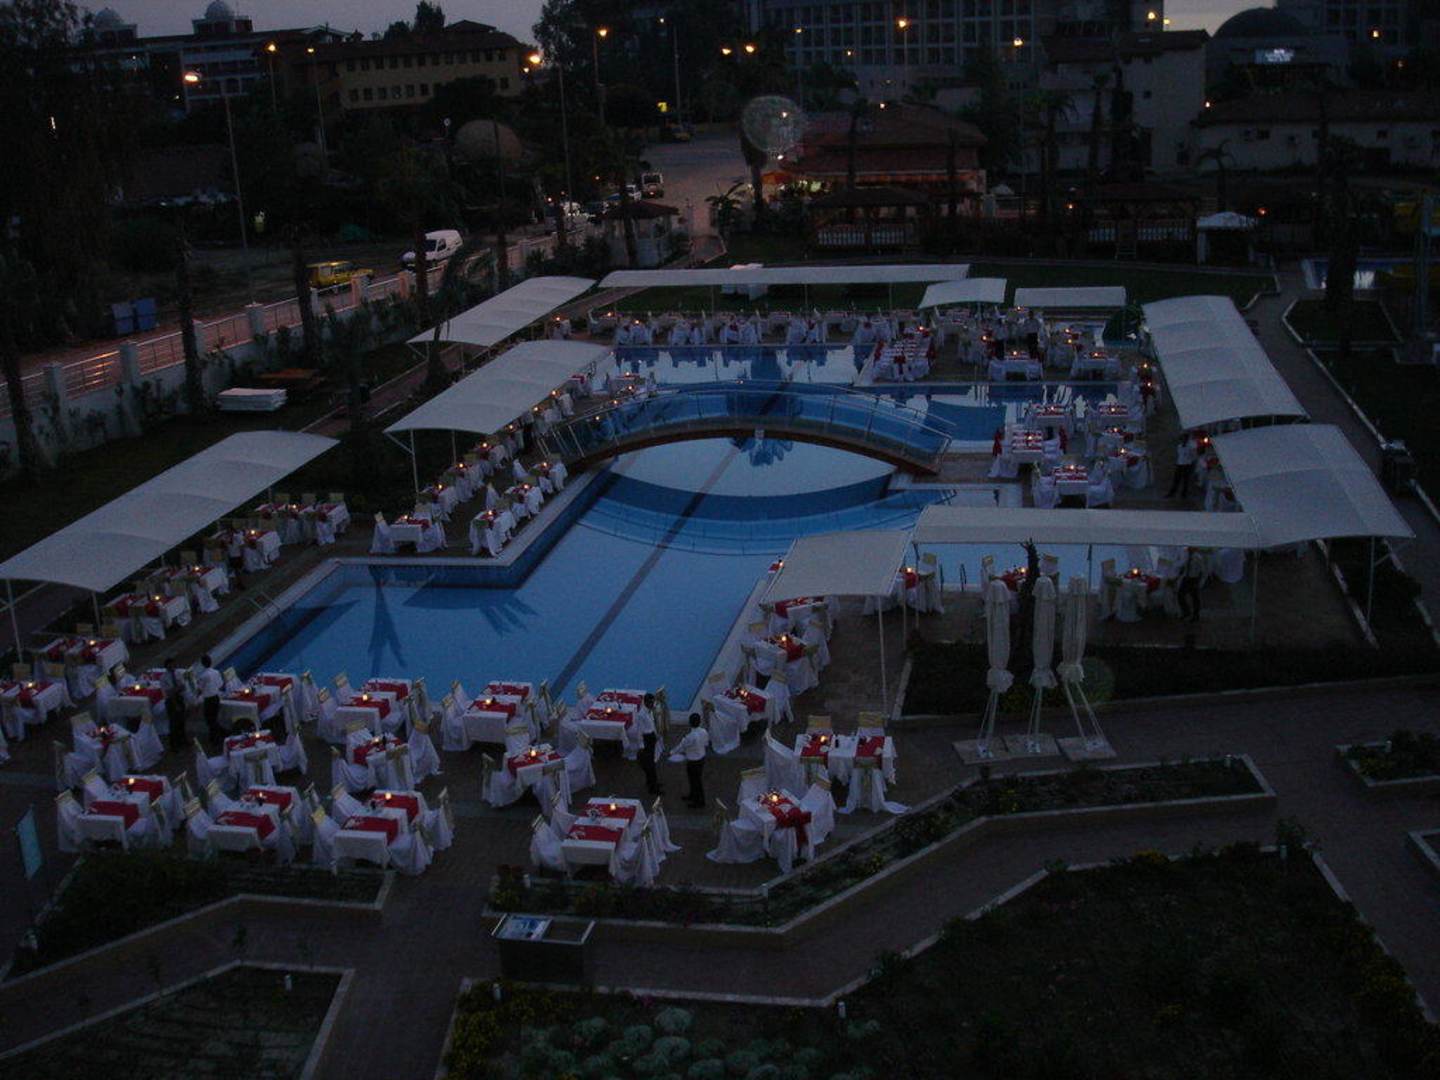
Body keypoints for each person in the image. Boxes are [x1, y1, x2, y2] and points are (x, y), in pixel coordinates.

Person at [674, 713, 709, 809]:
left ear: (690, 723)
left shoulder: (690, 736)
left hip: (693, 762)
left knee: (695, 781)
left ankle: (699, 801)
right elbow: (706, 744)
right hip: (701, 758)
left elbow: (681, 747)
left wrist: (672, 752)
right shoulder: (704, 732)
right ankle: (693, 795)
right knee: (696, 780)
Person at [635, 692, 662, 797]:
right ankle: (653, 787)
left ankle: (652, 782)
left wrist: (656, 735)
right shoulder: (641, 715)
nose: (652, 704)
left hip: (651, 737)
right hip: (646, 740)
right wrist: (641, 745)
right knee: (649, 765)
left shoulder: (649, 712)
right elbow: (639, 731)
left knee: (652, 762)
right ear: (646, 702)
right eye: (651, 702)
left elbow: (652, 724)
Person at [197, 654, 224, 746]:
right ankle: (214, 737)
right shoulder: (216, 672)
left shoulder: (203, 676)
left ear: (203, 664)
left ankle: (216, 738)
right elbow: (220, 685)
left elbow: (199, 689)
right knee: (214, 718)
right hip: (216, 697)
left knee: (210, 720)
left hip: (209, 700)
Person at [162, 655, 188, 753]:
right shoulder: (164, 678)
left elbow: (183, 687)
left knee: (182, 721)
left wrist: (175, 689)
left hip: (179, 698)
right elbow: (169, 693)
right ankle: (174, 745)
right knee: (173, 724)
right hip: (171, 701)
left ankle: (183, 740)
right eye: (171, 665)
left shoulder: (178, 674)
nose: (174, 666)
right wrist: (176, 689)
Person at [1177, 548, 1205, 623]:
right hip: (1186, 578)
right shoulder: (1186, 556)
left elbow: (1202, 570)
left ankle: (1195, 615)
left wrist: (1200, 581)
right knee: (1180, 595)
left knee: (1195, 597)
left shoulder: (1198, 557)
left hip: (1194, 579)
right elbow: (1184, 566)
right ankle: (1186, 612)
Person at [1166, 432, 1197, 499]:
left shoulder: (1190, 447)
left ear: (1186, 440)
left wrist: (1190, 462)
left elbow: (1193, 456)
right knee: (1176, 479)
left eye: (1184, 439)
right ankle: (1172, 492)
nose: (1183, 440)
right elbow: (1179, 455)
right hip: (1179, 464)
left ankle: (1184, 494)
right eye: (1182, 439)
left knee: (1186, 480)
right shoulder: (1179, 446)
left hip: (1187, 465)